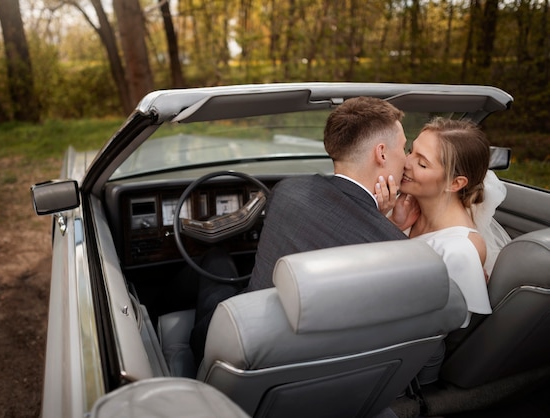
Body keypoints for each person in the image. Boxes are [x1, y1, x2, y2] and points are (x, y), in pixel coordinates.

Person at [189, 97, 410, 364]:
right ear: (382, 153)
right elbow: (351, 230)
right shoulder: (395, 248)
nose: (407, 160)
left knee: (215, 258)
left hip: (229, 341)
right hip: (318, 364)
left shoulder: (287, 192)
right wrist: (377, 217)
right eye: (405, 148)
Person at [387, 117, 511, 328]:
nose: (406, 162)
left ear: (455, 183)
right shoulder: (399, 209)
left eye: (422, 163)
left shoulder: (459, 250)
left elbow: (441, 331)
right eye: (410, 150)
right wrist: (392, 226)